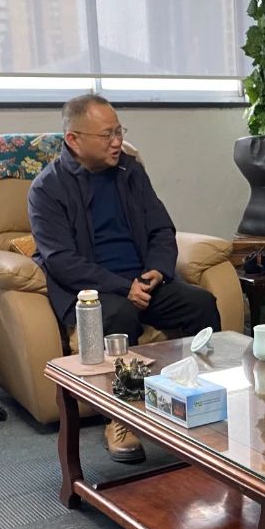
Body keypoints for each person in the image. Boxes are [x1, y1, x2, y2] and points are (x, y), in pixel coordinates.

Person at [29, 94, 220, 463]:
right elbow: (61, 261)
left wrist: (157, 269)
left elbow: (161, 228)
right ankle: (120, 418)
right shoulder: (47, 189)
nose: (117, 142)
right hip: (91, 292)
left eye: (119, 132)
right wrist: (122, 287)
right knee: (118, 315)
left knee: (201, 304)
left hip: (143, 281)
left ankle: (201, 400)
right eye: (107, 135)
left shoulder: (130, 172)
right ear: (73, 140)